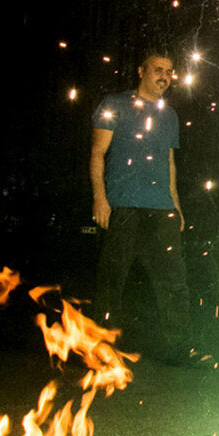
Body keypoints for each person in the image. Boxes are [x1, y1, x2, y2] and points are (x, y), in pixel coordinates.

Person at [90, 51, 191, 364]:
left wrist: (175, 203)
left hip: (161, 208)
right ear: (141, 70)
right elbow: (97, 153)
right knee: (113, 280)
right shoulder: (114, 104)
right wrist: (100, 198)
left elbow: (169, 162)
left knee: (174, 282)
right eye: (158, 69)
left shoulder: (169, 116)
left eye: (170, 71)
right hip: (124, 206)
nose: (165, 76)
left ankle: (179, 350)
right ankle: (101, 351)